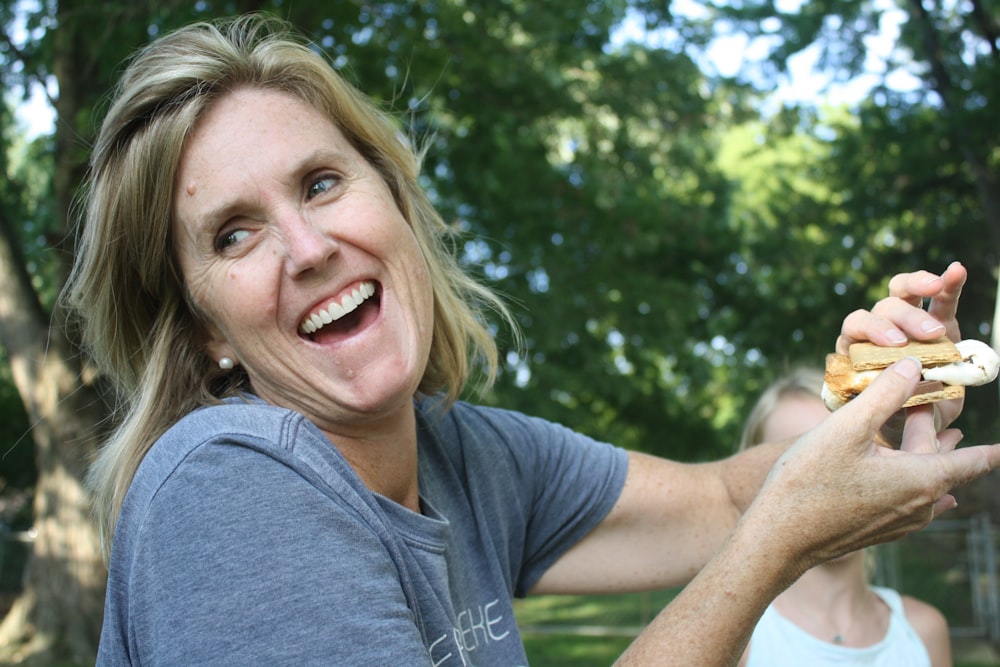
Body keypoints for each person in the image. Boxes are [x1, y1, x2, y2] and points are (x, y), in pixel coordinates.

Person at [62, 13, 1000, 666]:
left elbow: (718, 495)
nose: (307, 248)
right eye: (235, 233)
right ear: (202, 328)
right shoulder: (231, 491)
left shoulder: (466, 454)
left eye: (319, 183)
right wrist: (770, 553)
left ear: (394, 197)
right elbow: (752, 528)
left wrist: (881, 402)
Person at [736, 369, 952, 667]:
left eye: (848, 449)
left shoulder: (924, 630)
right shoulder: (738, 644)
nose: (829, 478)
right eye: (794, 459)